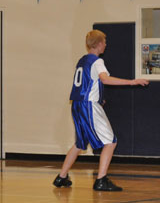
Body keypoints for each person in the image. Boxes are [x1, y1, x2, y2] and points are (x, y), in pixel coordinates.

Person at [53, 30, 149, 191]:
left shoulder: (82, 60)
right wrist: (132, 82)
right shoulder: (97, 61)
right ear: (98, 44)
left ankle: (61, 177)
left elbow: (88, 83)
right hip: (88, 105)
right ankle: (101, 180)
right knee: (111, 141)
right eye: (104, 42)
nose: (105, 44)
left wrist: (98, 98)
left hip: (77, 104)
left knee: (79, 143)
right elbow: (104, 79)